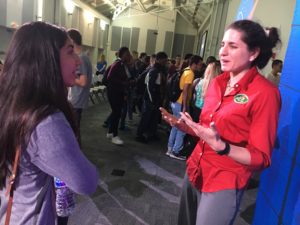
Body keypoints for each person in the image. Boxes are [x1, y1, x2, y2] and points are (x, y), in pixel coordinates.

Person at [160, 19, 281, 225]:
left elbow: (262, 157)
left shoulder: (265, 93)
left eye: (233, 46)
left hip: (225, 180)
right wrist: (188, 127)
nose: (223, 52)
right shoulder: (217, 83)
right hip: (195, 169)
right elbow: (210, 130)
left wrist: (223, 147)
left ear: (253, 53)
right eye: (223, 44)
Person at [0, 21, 98, 225]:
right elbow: (85, 181)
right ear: (47, 59)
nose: (78, 61)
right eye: (70, 52)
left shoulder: (10, 102)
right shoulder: (46, 122)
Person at [166, 55, 203, 160]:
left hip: (175, 102)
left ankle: (170, 148)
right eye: (200, 64)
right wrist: (185, 106)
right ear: (194, 64)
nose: (201, 67)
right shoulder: (190, 73)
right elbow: (186, 90)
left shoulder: (185, 70)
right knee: (182, 129)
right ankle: (176, 151)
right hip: (180, 104)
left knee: (175, 126)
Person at [67, 29, 93, 146]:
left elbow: (82, 82)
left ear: (72, 41)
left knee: (73, 130)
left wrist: (67, 77)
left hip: (76, 100)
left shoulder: (80, 59)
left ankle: (75, 155)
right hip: (77, 99)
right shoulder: (82, 57)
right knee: (74, 129)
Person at [136, 51, 168, 143]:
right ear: (158, 60)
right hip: (150, 98)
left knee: (154, 117)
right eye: (164, 60)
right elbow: (149, 86)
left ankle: (151, 133)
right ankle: (139, 135)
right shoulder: (153, 70)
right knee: (146, 117)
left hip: (156, 97)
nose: (165, 62)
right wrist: (151, 100)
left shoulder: (159, 69)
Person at [106, 46, 131, 145]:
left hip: (119, 92)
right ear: (123, 55)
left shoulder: (123, 65)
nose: (129, 56)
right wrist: (123, 83)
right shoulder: (117, 64)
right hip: (114, 92)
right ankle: (114, 136)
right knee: (117, 113)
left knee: (116, 113)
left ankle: (110, 132)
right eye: (127, 54)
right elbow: (109, 77)